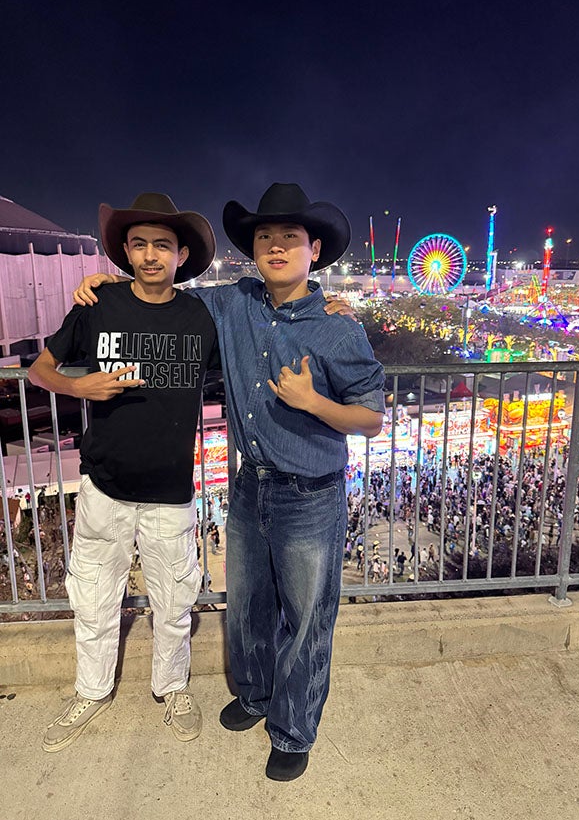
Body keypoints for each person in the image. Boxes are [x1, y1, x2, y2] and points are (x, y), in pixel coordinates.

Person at [74, 182, 385, 782]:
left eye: (289, 236)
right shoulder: (232, 302)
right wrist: (110, 284)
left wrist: (314, 402)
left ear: (314, 249)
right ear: (253, 248)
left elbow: (371, 418)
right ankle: (256, 696)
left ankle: (293, 729)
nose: (276, 246)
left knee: (306, 620)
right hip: (250, 489)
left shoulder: (339, 329)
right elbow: (163, 295)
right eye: (265, 236)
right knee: (248, 609)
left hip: (310, 495)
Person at [29, 193, 219, 751]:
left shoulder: (201, 316)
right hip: (104, 486)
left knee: (175, 603)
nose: (150, 255)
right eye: (139, 245)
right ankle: (91, 691)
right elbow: (41, 368)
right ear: (126, 252)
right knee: (93, 598)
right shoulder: (98, 306)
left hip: (170, 491)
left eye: (162, 245)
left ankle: (172, 687)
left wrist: (329, 304)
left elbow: (263, 317)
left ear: (182, 254)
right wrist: (79, 385)